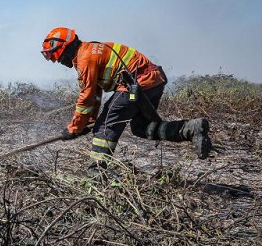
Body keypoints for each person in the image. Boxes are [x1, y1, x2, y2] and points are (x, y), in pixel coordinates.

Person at [40, 27, 211, 169]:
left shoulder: (85, 58)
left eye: (54, 55)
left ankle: (97, 171)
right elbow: (95, 95)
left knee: (105, 125)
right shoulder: (89, 50)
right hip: (153, 81)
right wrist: (87, 122)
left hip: (135, 84)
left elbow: (86, 97)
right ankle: (190, 129)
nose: (57, 61)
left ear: (62, 47)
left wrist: (74, 127)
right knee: (142, 128)